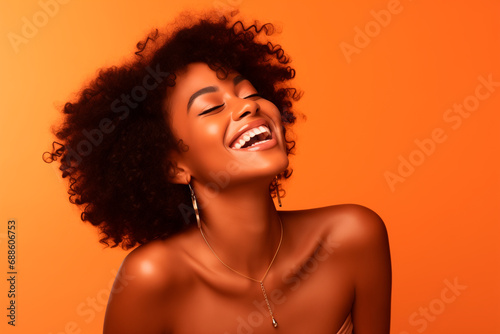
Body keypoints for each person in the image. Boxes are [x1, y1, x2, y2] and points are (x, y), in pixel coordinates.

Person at [43, 10, 391, 334]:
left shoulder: (353, 237)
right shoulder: (153, 279)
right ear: (173, 166)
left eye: (250, 92)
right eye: (211, 108)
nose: (248, 105)